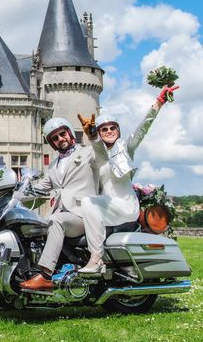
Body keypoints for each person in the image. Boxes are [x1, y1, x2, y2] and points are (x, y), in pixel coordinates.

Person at [76, 85, 180, 274]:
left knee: (88, 203)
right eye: (103, 129)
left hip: (125, 205)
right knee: (85, 206)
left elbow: (142, 129)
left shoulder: (126, 148)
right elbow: (99, 154)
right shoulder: (96, 155)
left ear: (118, 130)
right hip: (108, 206)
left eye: (112, 127)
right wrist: (92, 137)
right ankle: (95, 260)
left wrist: (158, 104)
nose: (109, 131)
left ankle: (96, 258)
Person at [20, 117, 107, 290]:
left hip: (84, 214)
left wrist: (94, 136)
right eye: (55, 138)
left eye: (62, 134)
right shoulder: (53, 166)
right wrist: (11, 194)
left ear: (70, 133)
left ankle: (45, 275)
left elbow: (102, 156)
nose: (60, 139)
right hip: (63, 214)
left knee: (57, 221)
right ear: (52, 143)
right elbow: (39, 188)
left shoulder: (87, 152)